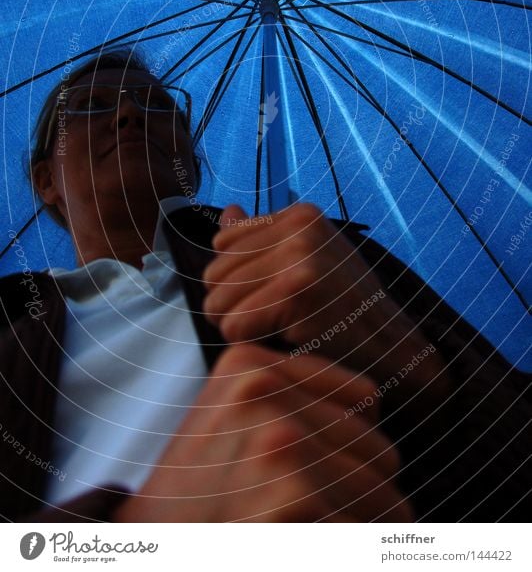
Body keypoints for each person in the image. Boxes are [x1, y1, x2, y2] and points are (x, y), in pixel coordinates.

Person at [0, 49, 529, 522]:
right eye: (92, 106)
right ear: (46, 179)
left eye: (160, 105)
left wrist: (424, 373)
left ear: (189, 162)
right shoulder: (9, 323)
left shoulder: (322, 253)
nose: (132, 114)